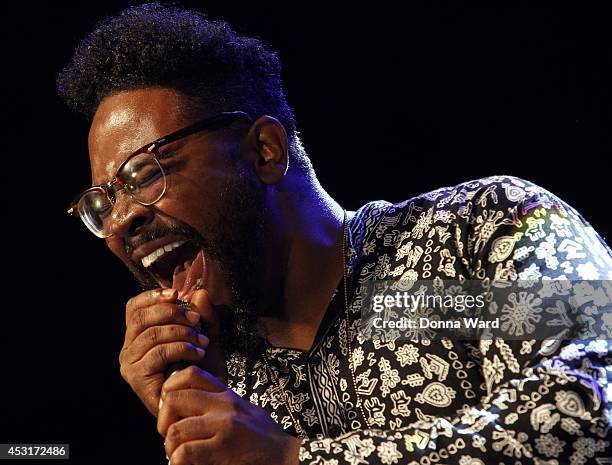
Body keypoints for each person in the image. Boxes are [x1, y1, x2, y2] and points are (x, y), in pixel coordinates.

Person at [58, 3, 611, 465]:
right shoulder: (229, 367)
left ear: (264, 151)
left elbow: (591, 409)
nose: (122, 220)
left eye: (144, 174)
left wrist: (295, 459)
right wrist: (186, 413)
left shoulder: (469, 236)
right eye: (101, 204)